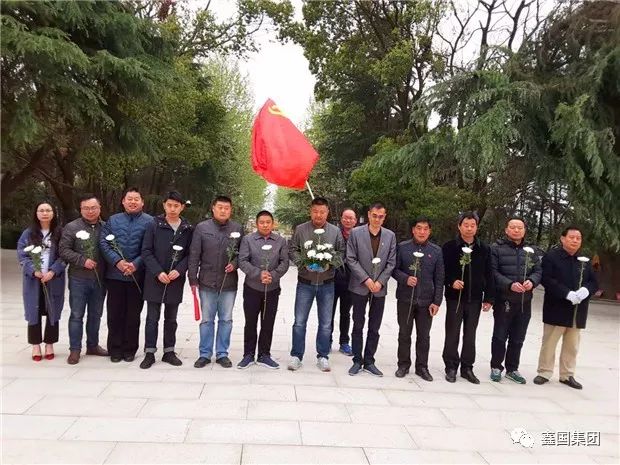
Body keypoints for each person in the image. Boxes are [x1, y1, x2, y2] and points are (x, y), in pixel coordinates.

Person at [533, 226, 598, 389]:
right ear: (563, 239)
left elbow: (594, 281)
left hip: (577, 309)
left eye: (578, 238)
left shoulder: (584, 259)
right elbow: (546, 279)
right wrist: (566, 293)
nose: (575, 240)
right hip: (557, 306)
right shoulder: (552, 257)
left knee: (572, 344)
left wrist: (586, 290)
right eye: (571, 237)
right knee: (549, 342)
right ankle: (544, 371)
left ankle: (567, 374)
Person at [288, 197, 345, 372]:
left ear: (327, 212)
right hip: (305, 282)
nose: (318, 215)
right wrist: (302, 263)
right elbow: (293, 249)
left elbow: (342, 252)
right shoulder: (301, 229)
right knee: (299, 322)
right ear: (310, 211)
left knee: (326, 323)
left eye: (322, 212)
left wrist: (331, 264)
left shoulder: (335, 231)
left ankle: (323, 356)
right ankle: (296, 355)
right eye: (315, 211)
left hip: (327, 284)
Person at [188, 195, 244, 369]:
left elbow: (242, 253)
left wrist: (234, 264)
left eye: (227, 208)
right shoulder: (202, 228)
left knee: (226, 319)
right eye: (220, 207)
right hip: (207, 281)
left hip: (229, 282)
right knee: (207, 320)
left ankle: (222, 353)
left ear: (230, 210)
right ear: (213, 208)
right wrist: (192, 278)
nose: (223, 211)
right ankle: (205, 354)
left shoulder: (237, 228)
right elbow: (194, 253)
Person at [139, 191, 193, 369]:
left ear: (182, 207)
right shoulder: (153, 224)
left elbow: (190, 254)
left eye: (176, 206)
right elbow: (146, 251)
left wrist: (179, 270)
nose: (172, 209)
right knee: (152, 318)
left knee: (171, 318)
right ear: (164, 205)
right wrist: (157, 272)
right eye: (169, 205)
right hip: (155, 278)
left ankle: (169, 351)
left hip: (175, 279)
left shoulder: (187, 228)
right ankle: (149, 352)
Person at [100, 187, 153, 363]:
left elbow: (150, 248)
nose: (132, 202)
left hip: (137, 277)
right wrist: (117, 262)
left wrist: (136, 264)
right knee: (114, 314)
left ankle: (130, 349)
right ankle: (115, 349)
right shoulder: (113, 220)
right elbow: (104, 243)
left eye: (136, 199)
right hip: (115, 275)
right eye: (129, 199)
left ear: (142, 202)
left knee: (133, 315)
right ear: (123, 201)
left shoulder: (150, 222)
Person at [441, 212, 494, 384]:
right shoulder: (449, 247)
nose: (469, 228)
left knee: (470, 334)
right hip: (455, 298)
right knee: (452, 332)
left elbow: (489, 274)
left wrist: (489, 298)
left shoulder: (484, 248)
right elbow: (442, 271)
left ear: (477, 227)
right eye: (466, 225)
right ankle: (450, 366)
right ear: (459, 226)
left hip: (475, 299)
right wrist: (451, 282)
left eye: (472, 225)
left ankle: (467, 367)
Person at [346, 202, 396, 377]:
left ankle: (369, 361)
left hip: (379, 289)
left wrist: (380, 282)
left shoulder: (390, 236)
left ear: (385, 217)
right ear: (369, 215)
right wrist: (366, 279)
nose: (377, 219)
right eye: (374, 215)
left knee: (374, 326)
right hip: (360, 286)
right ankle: (357, 360)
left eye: (381, 216)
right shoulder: (356, 233)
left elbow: (391, 262)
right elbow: (351, 259)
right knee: (358, 324)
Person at [490, 217, 542, 384]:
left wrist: (532, 281)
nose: (516, 230)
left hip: (524, 301)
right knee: (500, 335)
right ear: (506, 230)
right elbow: (493, 272)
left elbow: (538, 271)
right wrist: (509, 284)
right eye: (513, 227)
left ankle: (512, 368)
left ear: (524, 230)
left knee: (518, 337)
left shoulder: (532, 250)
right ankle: (496, 366)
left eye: (520, 227)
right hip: (504, 299)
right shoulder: (496, 249)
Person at [393, 216, 444, 381]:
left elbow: (439, 278)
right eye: (419, 228)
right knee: (404, 333)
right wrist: (405, 278)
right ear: (413, 230)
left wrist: (436, 301)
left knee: (424, 336)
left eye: (425, 229)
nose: (422, 232)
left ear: (430, 231)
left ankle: (422, 367)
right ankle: (403, 364)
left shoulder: (436, 251)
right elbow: (394, 269)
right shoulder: (403, 247)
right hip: (405, 299)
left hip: (426, 301)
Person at [59, 193, 108, 364]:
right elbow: (63, 250)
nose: (90, 211)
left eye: (93, 207)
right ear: (80, 209)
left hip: (100, 279)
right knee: (76, 314)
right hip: (78, 278)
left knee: (96, 314)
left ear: (99, 208)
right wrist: (82, 260)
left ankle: (93, 345)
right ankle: (75, 349)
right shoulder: (72, 227)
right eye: (86, 208)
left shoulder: (106, 227)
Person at [237, 210, 289, 369]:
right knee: (250, 322)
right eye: (262, 222)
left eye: (268, 222)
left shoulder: (280, 241)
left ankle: (264, 354)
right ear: (256, 224)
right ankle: (248, 354)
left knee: (268, 322)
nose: (265, 225)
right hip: (252, 288)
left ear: (273, 224)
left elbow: (284, 262)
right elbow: (243, 261)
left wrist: (273, 275)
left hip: (272, 289)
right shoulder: (248, 240)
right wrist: (258, 274)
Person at [17, 201, 66, 361]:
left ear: (53, 213)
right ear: (36, 213)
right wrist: (33, 270)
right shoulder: (28, 233)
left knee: (53, 310)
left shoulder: (60, 233)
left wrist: (53, 271)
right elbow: (22, 255)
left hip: (54, 279)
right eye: (41, 210)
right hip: (33, 280)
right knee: (34, 311)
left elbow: (65, 255)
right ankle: (35, 345)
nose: (45, 213)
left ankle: (49, 344)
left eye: (48, 210)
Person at [331, 208, 357, 356]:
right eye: (345, 218)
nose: (348, 220)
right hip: (333, 280)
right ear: (341, 219)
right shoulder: (334, 234)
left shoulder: (359, 236)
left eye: (351, 218)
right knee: (329, 312)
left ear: (355, 220)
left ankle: (344, 342)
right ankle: (326, 340)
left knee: (345, 313)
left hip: (350, 281)